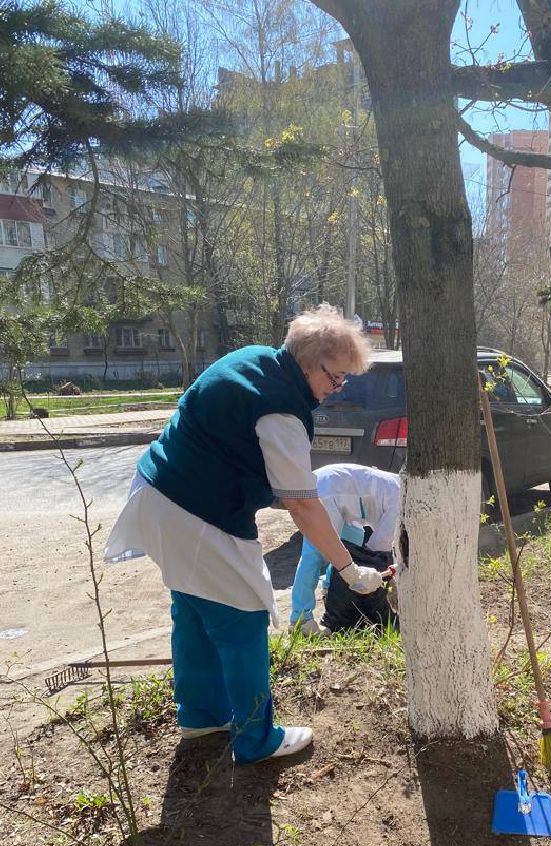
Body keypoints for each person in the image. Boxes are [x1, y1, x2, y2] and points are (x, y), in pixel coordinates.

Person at [104, 305, 384, 765]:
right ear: (310, 362)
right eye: (335, 379)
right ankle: (256, 739)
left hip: (156, 492)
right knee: (245, 618)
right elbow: (302, 504)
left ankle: (200, 714)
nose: (336, 391)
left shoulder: (254, 360)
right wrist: (349, 569)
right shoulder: (281, 409)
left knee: (192, 607)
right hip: (199, 512)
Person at [290, 463, 400, 635]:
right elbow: (377, 550)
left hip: (338, 492)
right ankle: (301, 618)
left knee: (349, 548)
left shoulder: (402, 488)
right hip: (327, 493)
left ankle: (330, 591)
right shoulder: (401, 504)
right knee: (315, 554)